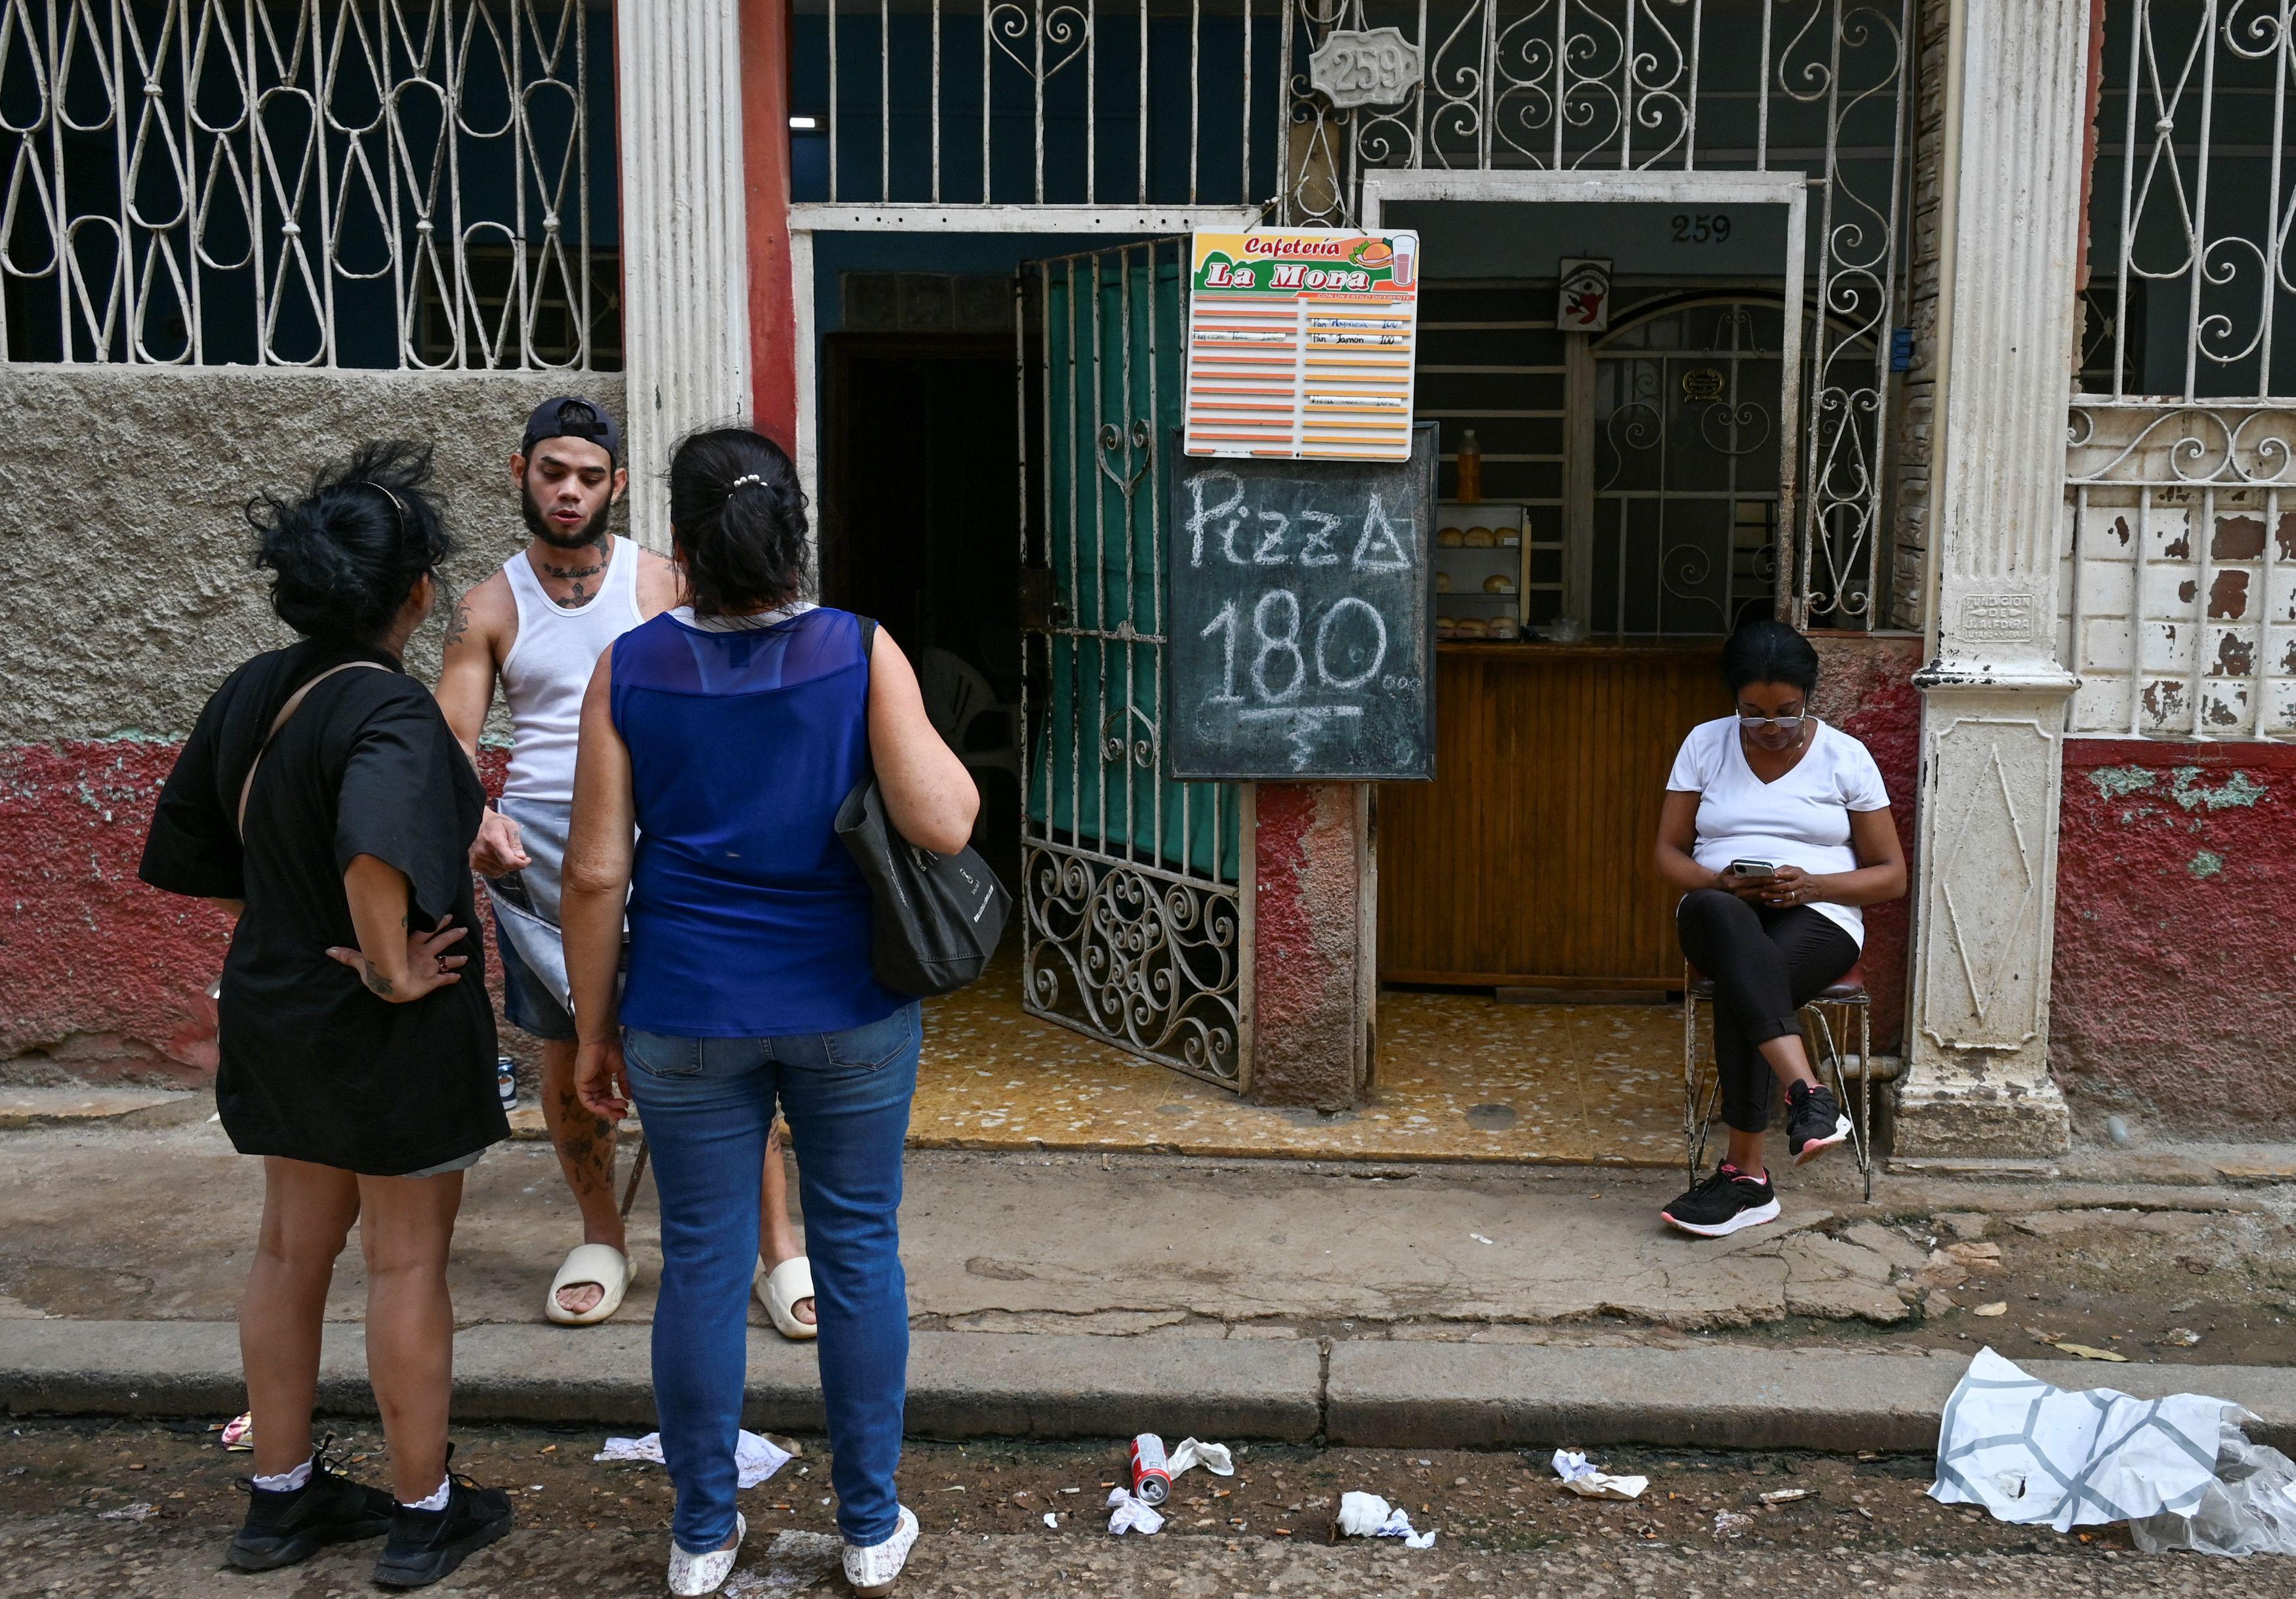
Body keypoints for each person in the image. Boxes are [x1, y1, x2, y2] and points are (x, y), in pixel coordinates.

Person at [562, 428, 976, 1596]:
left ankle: (701, 1534)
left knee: (698, 1262)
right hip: (850, 1002)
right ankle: (869, 1523)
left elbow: (595, 874)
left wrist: (596, 1030)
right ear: (795, 532)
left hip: (686, 1009)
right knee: (857, 1250)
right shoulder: (858, 650)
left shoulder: (630, 667)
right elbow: (946, 822)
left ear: (679, 547)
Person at [138, 442, 514, 1587]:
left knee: (289, 1249)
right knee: (405, 1264)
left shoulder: (254, 686)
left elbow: (197, 851)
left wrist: (303, 919)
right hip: (380, 1029)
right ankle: (421, 1511)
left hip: (277, 1005)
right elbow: (372, 850)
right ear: (411, 594)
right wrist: (394, 967)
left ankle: (282, 1497)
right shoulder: (393, 712)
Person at [434, 396, 817, 1336]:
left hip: (670, 841)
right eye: (552, 472)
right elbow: (448, 738)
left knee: (732, 1041)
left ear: (616, 484)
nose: (569, 492)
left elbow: (735, 676)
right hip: (545, 863)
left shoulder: (659, 582)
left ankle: (780, 1248)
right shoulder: (489, 605)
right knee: (569, 1054)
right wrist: (476, 817)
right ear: (519, 470)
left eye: (588, 476)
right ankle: (602, 1235)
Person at [1652, 619, 1907, 1238]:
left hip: (1819, 917)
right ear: (1733, 700)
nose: (1770, 727)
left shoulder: (1846, 756)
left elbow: (1891, 875)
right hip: (1723, 910)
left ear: (1808, 699)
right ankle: (1808, 1093)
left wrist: (1814, 885)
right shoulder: (1705, 744)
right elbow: (1667, 853)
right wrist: (1719, 882)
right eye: (1754, 712)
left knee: (1748, 985)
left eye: (1786, 713)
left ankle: (1747, 1178)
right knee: (1720, 919)